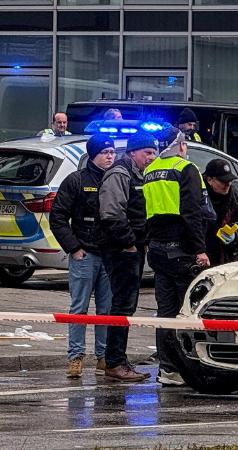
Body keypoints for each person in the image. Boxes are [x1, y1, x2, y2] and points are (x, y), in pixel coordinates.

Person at [143, 126, 209, 386]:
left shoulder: (150, 171)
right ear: (180, 145)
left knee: (165, 312)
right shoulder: (186, 169)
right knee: (186, 312)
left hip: (158, 249)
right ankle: (187, 366)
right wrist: (200, 249)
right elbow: (193, 213)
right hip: (181, 249)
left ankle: (168, 369)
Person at [49, 134, 116, 379]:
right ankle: (76, 357)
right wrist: (74, 247)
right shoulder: (76, 180)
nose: (109, 156)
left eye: (111, 152)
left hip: (109, 255)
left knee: (106, 310)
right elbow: (57, 217)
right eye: (104, 152)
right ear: (93, 154)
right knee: (79, 308)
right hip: (84, 255)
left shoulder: (117, 179)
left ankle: (104, 357)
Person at [98, 131, 157, 382]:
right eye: (147, 152)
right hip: (121, 250)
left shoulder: (137, 174)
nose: (152, 157)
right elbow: (111, 214)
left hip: (131, 248)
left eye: (154, 152)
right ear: (133, 152)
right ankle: (115, 362)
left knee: (126, 305)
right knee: (122, 305)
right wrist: (130, 243)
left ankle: (117, 360)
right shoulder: (120, 174)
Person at [203, 159, 238, 266]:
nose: (227, 185)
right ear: (210, 180)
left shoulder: (236, 198)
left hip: (227, 256)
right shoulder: (198, 195)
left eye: (229, 181)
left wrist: (236, 236)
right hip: (203, 255)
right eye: (223, 182)